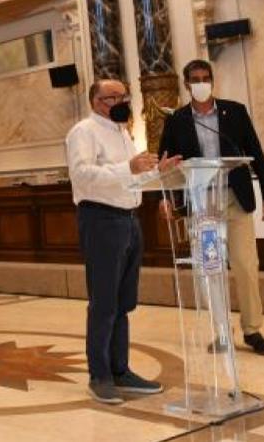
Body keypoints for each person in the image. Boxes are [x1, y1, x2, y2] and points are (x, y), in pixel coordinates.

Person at [66, 78, 181, 405]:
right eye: (112, 97)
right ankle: (99, 375)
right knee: (103, 302)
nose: (120, 101)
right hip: (101, 219)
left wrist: (158, 170)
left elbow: (132, 176)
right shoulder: (83, 132)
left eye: (123, 96)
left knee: (123, 302)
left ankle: (121, 370)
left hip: (129, 220)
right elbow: (82, 175)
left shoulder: (122, 132)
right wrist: (127, 167)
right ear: (95, 101)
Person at [158, 59, 264, 355]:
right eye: (195, 79)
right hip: (201, 205)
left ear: (212, 80)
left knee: (246, 265)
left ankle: (253, 330)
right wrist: (164, 197)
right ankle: (222, 332)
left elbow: (255, 152)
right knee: (210, 269)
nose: (201, 83)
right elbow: (165, 163)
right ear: (187, 85)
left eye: (205, 77)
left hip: (235, 198)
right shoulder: (177, 120)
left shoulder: (235, 111)